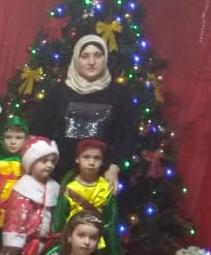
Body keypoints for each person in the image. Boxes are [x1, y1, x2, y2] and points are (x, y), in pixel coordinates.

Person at [29, 33, 135, 189]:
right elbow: (40, 134)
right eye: (85, 56)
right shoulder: (58, 93)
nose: (91, 62)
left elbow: (126, 136)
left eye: (97, 55)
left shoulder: (119, 95)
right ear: (76, 59)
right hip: (59, 178)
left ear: (105, 58)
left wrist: (115, 167)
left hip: (103, 180)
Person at [0, 136, 60, 255]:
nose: (49, 165)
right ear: (31, 163)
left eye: (52, 161)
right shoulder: (23, 189)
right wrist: (14, 245)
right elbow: (15, 218)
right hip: (20, 247)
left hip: (44, 247)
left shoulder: (54, 188)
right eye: (44, 161)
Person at [52, 138, 120, 255]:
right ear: (77, 159)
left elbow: (111, 223)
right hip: (72, 242)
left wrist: (112, 254)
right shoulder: (69, 188)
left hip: (97, 244)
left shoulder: (106, 189)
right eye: (86, 157)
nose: (91, 162)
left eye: (97, 158)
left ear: (102, 161)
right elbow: (59, 222)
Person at [0, 114, 29, 230]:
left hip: (21, 217)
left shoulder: (29, 161)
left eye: (18, 138)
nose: (13, 142)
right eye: (8, 137)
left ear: (26, 139)